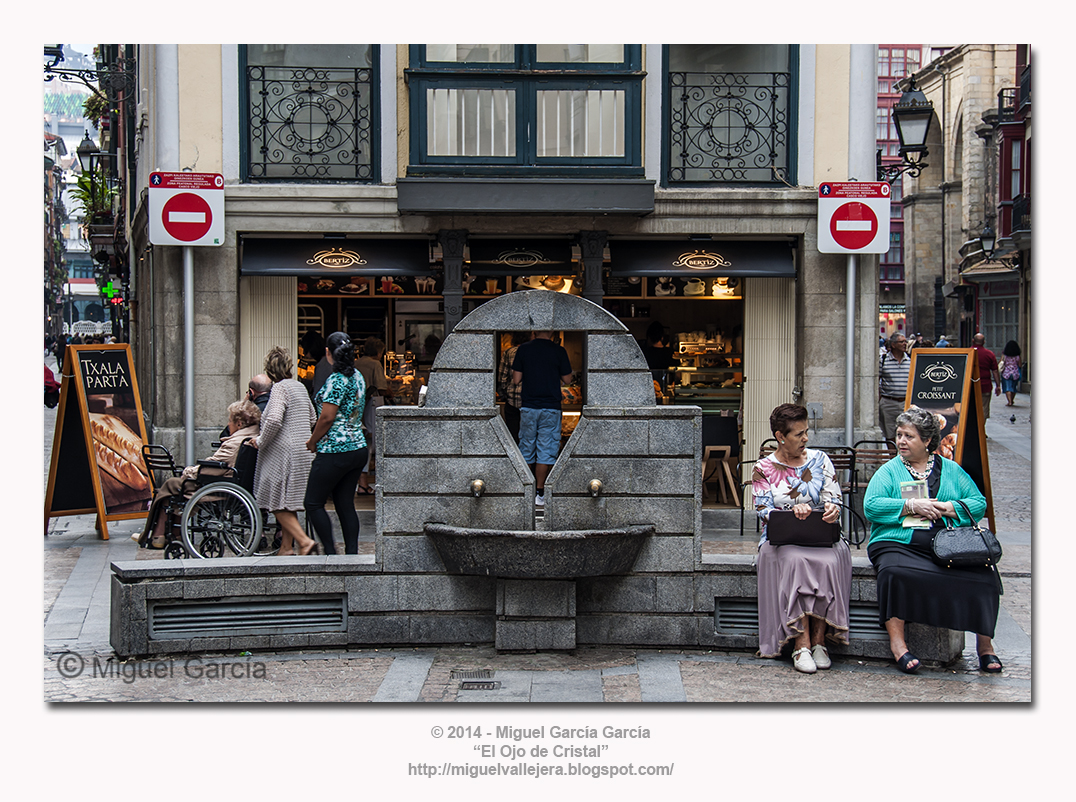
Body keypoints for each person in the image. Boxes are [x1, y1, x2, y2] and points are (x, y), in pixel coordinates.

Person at [864, 406, 1001, 674]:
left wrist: (949, 507)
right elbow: (872, 506)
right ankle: (898, 645)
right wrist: (910, 506)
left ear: (927, 441)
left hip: (946, 545)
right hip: (899, 542)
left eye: (909, 436)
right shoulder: (889, 471)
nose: (901, 441)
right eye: (899, 434)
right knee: (892, 571)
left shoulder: (951, 470)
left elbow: (978, 504)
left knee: (985, 576)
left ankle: (985, 648)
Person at [752, 403, 851, 673]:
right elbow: (762, 510)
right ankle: (801, 644)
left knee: (829, 560)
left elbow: (834, 497)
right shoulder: (762, 468)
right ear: (780, 436)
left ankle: (820, 642)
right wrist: (790, 512)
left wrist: (831, 509)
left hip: (820, 536)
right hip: (781, 540)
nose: (805, 439)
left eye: (806, 432)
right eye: (798, 434)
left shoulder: (820, 460)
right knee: (795, 562)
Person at [136, 399, 261, 548]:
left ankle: (157, 535)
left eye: (229, 421)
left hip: (220, 484)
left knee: (171, 485)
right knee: (175, 489)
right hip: (231, 482)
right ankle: (168, 535)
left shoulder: (235, 443)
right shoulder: (252, 437)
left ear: (239, 424)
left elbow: (214, 467)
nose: (228, 425)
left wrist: (189, 471)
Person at [303, 332, 368, 554]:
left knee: (312, 503)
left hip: (335, 449)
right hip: (358, 447)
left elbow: (327, 417)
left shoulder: (336, 380)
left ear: (328, 353)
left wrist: (313, 441)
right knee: (345, 504)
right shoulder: (358, 376)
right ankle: (351, 554)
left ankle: (330, 552)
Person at [251, 346, 319, 556]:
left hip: (283, 454)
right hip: (303, 451)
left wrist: (261, 440)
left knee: (275, 502)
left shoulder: (279, 388)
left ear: (269, 369)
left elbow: (273, 420)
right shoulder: (298, 387)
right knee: (287, 502)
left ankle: (304, 541)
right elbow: (312, 418)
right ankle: (286, 548)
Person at [512, 330, 572, 507]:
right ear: (552, 331)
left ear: (534, 331)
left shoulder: (523, 349)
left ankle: (526, 488)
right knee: (546, 449)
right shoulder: (558, 350)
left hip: (529, 406)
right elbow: (567, 379)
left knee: (526, 446)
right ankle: (540, 492)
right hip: (551, 407)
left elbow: (516, 379)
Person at [355, 337, 389, 494]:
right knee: (372, 443)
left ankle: (360, 481)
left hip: (357, 407)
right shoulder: (375, 364)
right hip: (372, 406)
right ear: (378, 351)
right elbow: (381, 388)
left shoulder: (356, 363)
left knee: (362, 440)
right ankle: (364, 482)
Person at [497, 332, 530, 443]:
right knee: (529, 437)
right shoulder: (533, 352)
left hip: (512, 401)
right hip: (531, 401)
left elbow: (502, 378)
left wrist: (503, 395)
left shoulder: (508, 353)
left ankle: (515, 458)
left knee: (513, 436)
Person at [218, 374, 273, 440]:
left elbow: (225, 435)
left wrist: (244, 404)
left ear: (251, 392)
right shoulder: (278, 407)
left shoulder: (249, 413)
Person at [878, 331, 910, 441]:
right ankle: (892, 456)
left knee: (907, 432)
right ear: (893, 345)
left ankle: (904, 457)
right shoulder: (883, 360)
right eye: (901, 342)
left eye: (905, 341)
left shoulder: (911, 360)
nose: (905, 344)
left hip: (906, 403)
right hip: (889, 403)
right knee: (890, 433)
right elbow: (876, 379)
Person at [972, 333, 1001, 421]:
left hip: (970, 385)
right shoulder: (989, 354)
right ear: (984, 342)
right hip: (985, 385)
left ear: (973, 341)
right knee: (984, 408)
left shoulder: (968, 353)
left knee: (971, 408)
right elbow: (995, 371)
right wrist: (998, 385)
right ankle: (981, 431)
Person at [1000, 340, 1022, 407]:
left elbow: (1001, 362)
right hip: (1015, 373)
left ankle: (1009, 401)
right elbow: (1020, 365)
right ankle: (1012, 399)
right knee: (1013, 387)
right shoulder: (1017, 356)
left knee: (1008, 387)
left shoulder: (1005, 356)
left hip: (1006, 372)